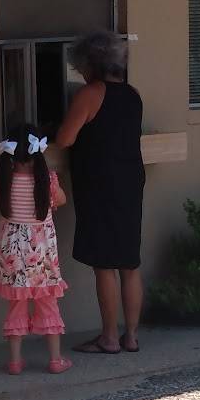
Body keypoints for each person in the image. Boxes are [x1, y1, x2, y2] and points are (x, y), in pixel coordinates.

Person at [54, 31, 145, 354]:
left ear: (89, 64)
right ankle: (131, 336)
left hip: (99, 183)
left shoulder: (91, 94)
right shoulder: (132, 94)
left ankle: (109, 337)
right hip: (131, 180)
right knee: (129, 263)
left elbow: (65, 139)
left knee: (104, 264)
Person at [0, 123, 73, 375]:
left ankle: (15, 362)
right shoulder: (47, 179)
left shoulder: (3, 179)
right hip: (42, 254)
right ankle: (55, 360)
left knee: (16, 304)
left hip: (12, 252)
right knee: (48, 302)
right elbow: (60, 200)